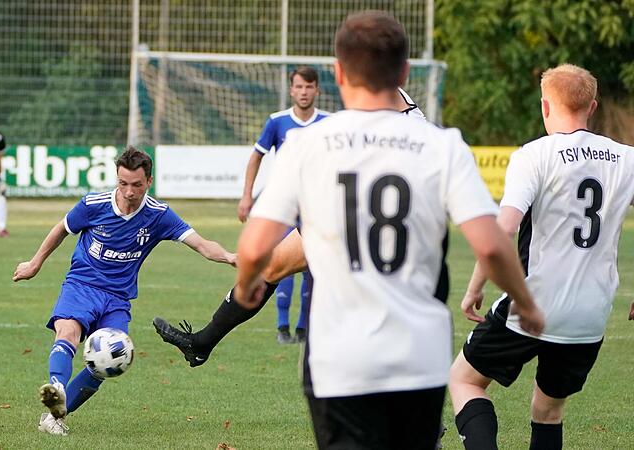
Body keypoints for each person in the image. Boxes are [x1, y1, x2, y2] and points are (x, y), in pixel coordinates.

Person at [234, 11, 544, 449]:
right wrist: (526, 304)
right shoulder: (443, 145)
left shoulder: (309, 144)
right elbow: (492, 245)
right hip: (417, 354)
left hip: (337, 356)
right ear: (403, 73)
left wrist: (248, 282)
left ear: (338, 73)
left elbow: (254, 246)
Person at [153, 81, 436, 368]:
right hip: (349, 220)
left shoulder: (393, 125)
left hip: (368, 227)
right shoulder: (397, 120)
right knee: (270, 269)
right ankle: (201, 343)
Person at [449, 64, 634, 450]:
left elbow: (503, 228)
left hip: (531, 305)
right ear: (593, 107)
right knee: (548, 411)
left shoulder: (534, 155)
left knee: (465, 380)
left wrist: (474, 288)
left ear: (545, 107)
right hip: (590, 314)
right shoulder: (627, 158)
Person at [12, 147, 236, 436]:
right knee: (68, 333)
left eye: (137, 185)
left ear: (149, 182)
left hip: (118, 298)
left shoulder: (159, 215)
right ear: (117, 179)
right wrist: (35, 263)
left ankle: (55, 416)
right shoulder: (94, 205)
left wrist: (230, 256)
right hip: (82, 284)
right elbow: (62, 229)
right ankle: (56, 386)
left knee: (107, 363)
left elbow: (202, 244)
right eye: (123, 183)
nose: (129, 192)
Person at [238, 66, 328, 343]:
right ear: (291, 89)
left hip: (316, 208)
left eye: (309, 87)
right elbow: (256, 156)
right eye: (299, 86)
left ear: (317, 90)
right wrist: (247, 195)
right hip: (286, 207)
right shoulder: (277, 122)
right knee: (282, 263)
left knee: (314, 267)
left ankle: (303, 328)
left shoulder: (329, 123)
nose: (304, 92)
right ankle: (282, 326)